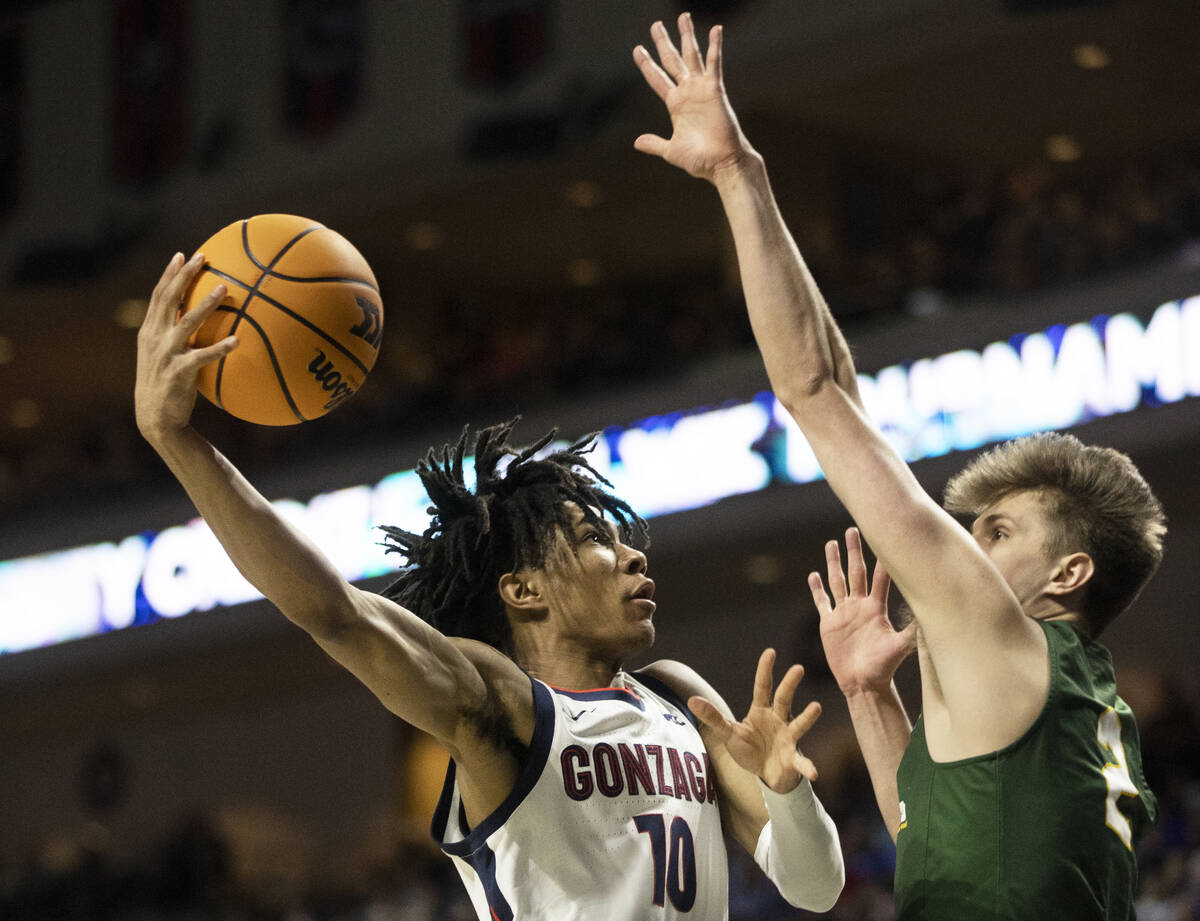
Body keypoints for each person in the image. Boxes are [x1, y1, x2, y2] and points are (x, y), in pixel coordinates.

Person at [133, 21, 845, 916]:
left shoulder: (680, 700)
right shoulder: (499, 707)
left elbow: (816, 890)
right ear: (523, 589)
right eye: (593, 540)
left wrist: (785, 789)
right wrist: (180, 443)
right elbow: (336, 613)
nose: (632, 555)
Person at [632, 12, 1163, 919]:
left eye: (997, 530)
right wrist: (870, 696)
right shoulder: (1083, 707)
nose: (964, 543)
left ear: (1068, 573)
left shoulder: (1004, 630)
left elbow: (814, 390)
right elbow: (925, 837)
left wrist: (736, 173)